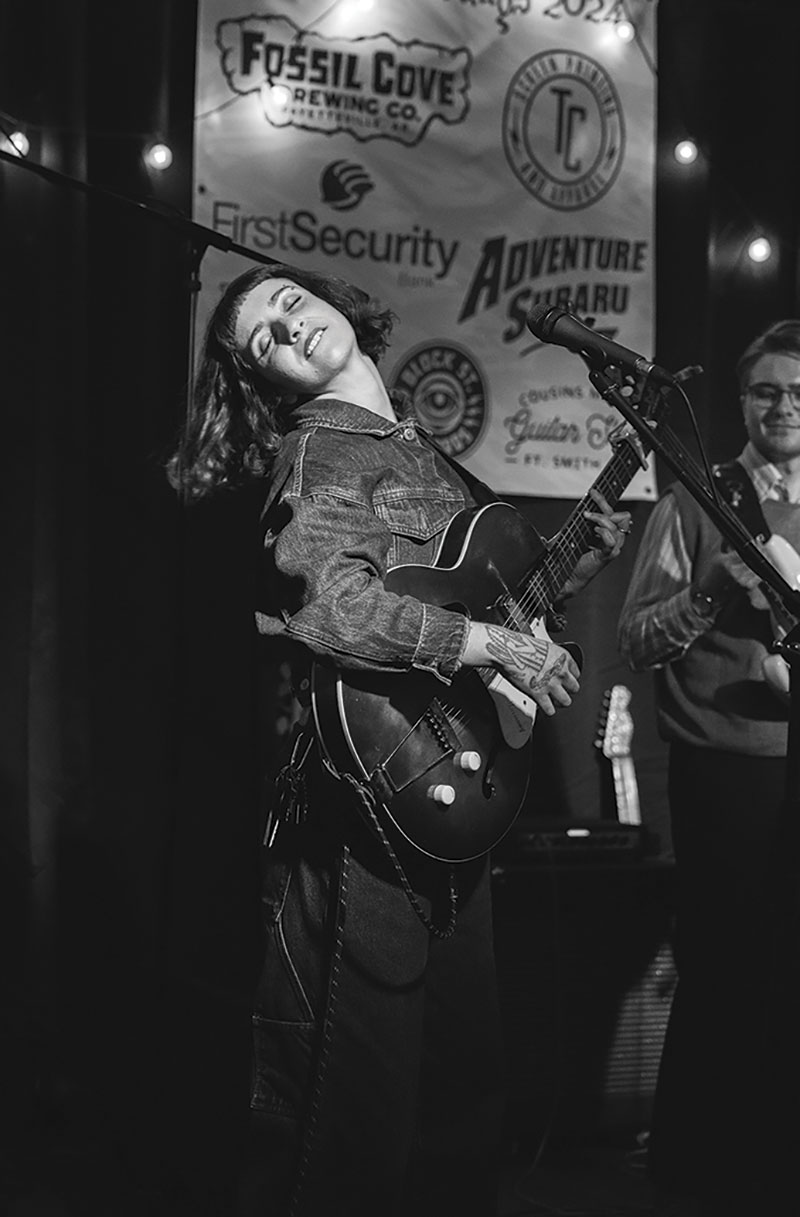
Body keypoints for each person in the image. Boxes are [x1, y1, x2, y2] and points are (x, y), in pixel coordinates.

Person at [168, 260, 632, 1217]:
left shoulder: (418, 452)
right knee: (353, 1117)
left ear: (332, 302)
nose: (289, 328)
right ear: (266, 380)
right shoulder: (321, 456)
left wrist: (570, 572)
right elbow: (330, 606)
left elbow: (486, 599)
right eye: (264, 340)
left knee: (459, 1102)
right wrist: (488, 644)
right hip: (366, 811)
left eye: (290, 303)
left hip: (441, 807)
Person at [618, 319, 800, 1216]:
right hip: (725, 765)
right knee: (726, 965)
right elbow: (635, 637)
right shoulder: (696, 497)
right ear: (742, 399)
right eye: (768, 389)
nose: (785, 405)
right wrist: (712, 586)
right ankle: (700, 1170)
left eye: (799, 391)